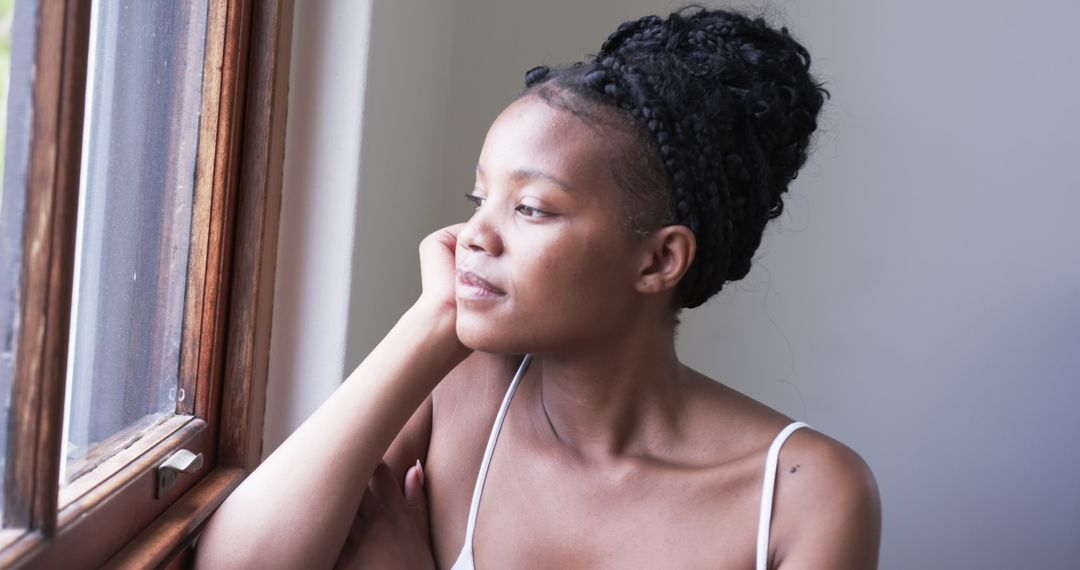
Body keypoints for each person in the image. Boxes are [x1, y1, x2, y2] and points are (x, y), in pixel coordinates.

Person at [195, 6, 881, 569]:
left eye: (530, 208)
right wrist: (433, 320)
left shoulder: (804, 495)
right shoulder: (459, 399)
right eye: (478, 198)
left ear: (659, 260)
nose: (472, 236)